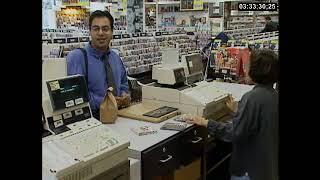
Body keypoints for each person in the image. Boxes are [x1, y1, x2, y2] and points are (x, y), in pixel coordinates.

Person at [185, 49, 279, 180]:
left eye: (247, 66)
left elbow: (234, 133)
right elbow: (258, 124)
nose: (245, 69)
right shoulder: (273, 94)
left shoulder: (252, 97)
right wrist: (238, 111)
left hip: (249, 171)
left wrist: (205, 122)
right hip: (266, 169)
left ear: (256, 70)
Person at [67, 10, 130, 120]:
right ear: (90, 31)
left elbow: (124, 82)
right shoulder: (77, 57)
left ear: (112, 32)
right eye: (96, 29)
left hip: (119, 116)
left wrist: (124, 94)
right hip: (92, 119)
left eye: (105, 29)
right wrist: (106, 102)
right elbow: (76, 94)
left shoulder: (115, 57)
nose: (101, 33)